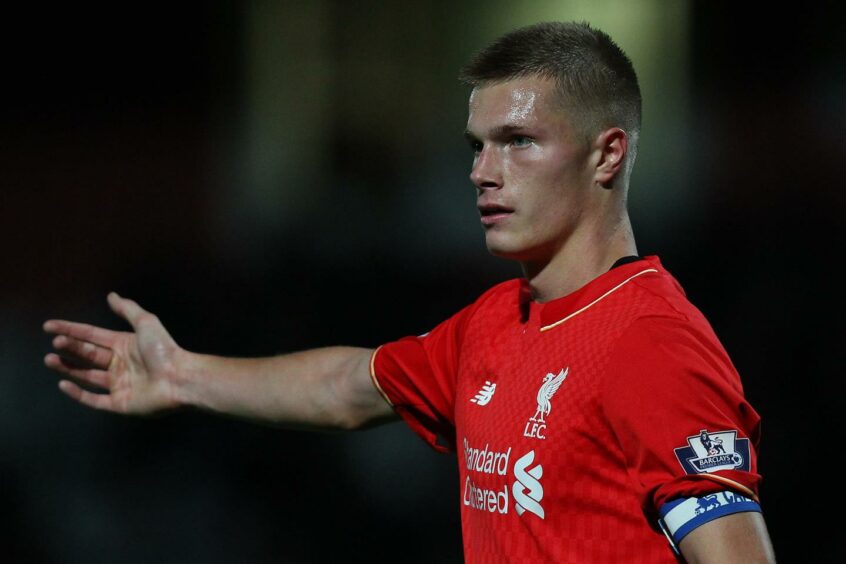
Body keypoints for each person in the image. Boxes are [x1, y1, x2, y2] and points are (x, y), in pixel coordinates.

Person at [43, 21, 776, 563]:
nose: (482, 172)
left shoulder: (651, 341)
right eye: (476, 145)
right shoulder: (494, 323)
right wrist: (181, 374)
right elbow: (346, 388)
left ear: (607, 153)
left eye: (518, 141)